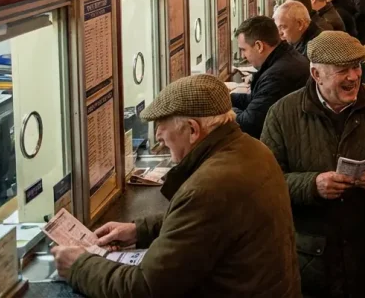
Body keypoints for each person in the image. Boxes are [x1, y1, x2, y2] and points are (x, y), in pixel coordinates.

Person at [52, 75, 300, 297]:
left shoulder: (210, 186)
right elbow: (209, 223)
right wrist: (140, 230)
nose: (158, 136)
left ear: (192, 129)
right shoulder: (251, 150)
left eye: (163, 126)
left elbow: (145, 287)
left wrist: (79, 266)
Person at [260, 31, 365, 298]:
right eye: (343, 70)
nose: (354, 77)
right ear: (316, 74)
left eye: (356, 67)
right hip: (314, 258)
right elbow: (265, 184)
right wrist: (312, 185)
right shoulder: (282, 114)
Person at [231, 16, 309, 138]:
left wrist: (223, 110)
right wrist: (226, 98)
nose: (243, 56)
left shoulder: (277, 75)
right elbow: (257, 99)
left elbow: (249, 125)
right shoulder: (285, 57)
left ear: (259, 46)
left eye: (243, 50)